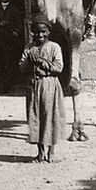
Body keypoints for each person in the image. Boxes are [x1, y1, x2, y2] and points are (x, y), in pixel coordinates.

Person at [18, 14, 66, 163]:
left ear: (48, 32)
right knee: (35, 117)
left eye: (43, 31)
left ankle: (51, 152)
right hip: (33, 86)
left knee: (50, 116)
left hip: (49, 85)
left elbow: (58, 68)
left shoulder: (54, 47)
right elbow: (21, 67)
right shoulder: (29, 47)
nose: (40, 35)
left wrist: (41, 62)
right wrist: (28, 63)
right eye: (36, 32)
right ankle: (40, 153)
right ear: (32, 32)